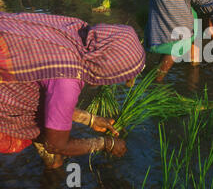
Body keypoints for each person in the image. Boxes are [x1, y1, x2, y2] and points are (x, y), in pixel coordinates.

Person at [0, 12, 146, 169]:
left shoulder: (73, 30)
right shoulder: (68, 77)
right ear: (110, 68)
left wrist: (91, 120)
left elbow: (49, 97)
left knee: (54, 160)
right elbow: (55, 145)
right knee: (52, 147)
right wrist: (105, 144)